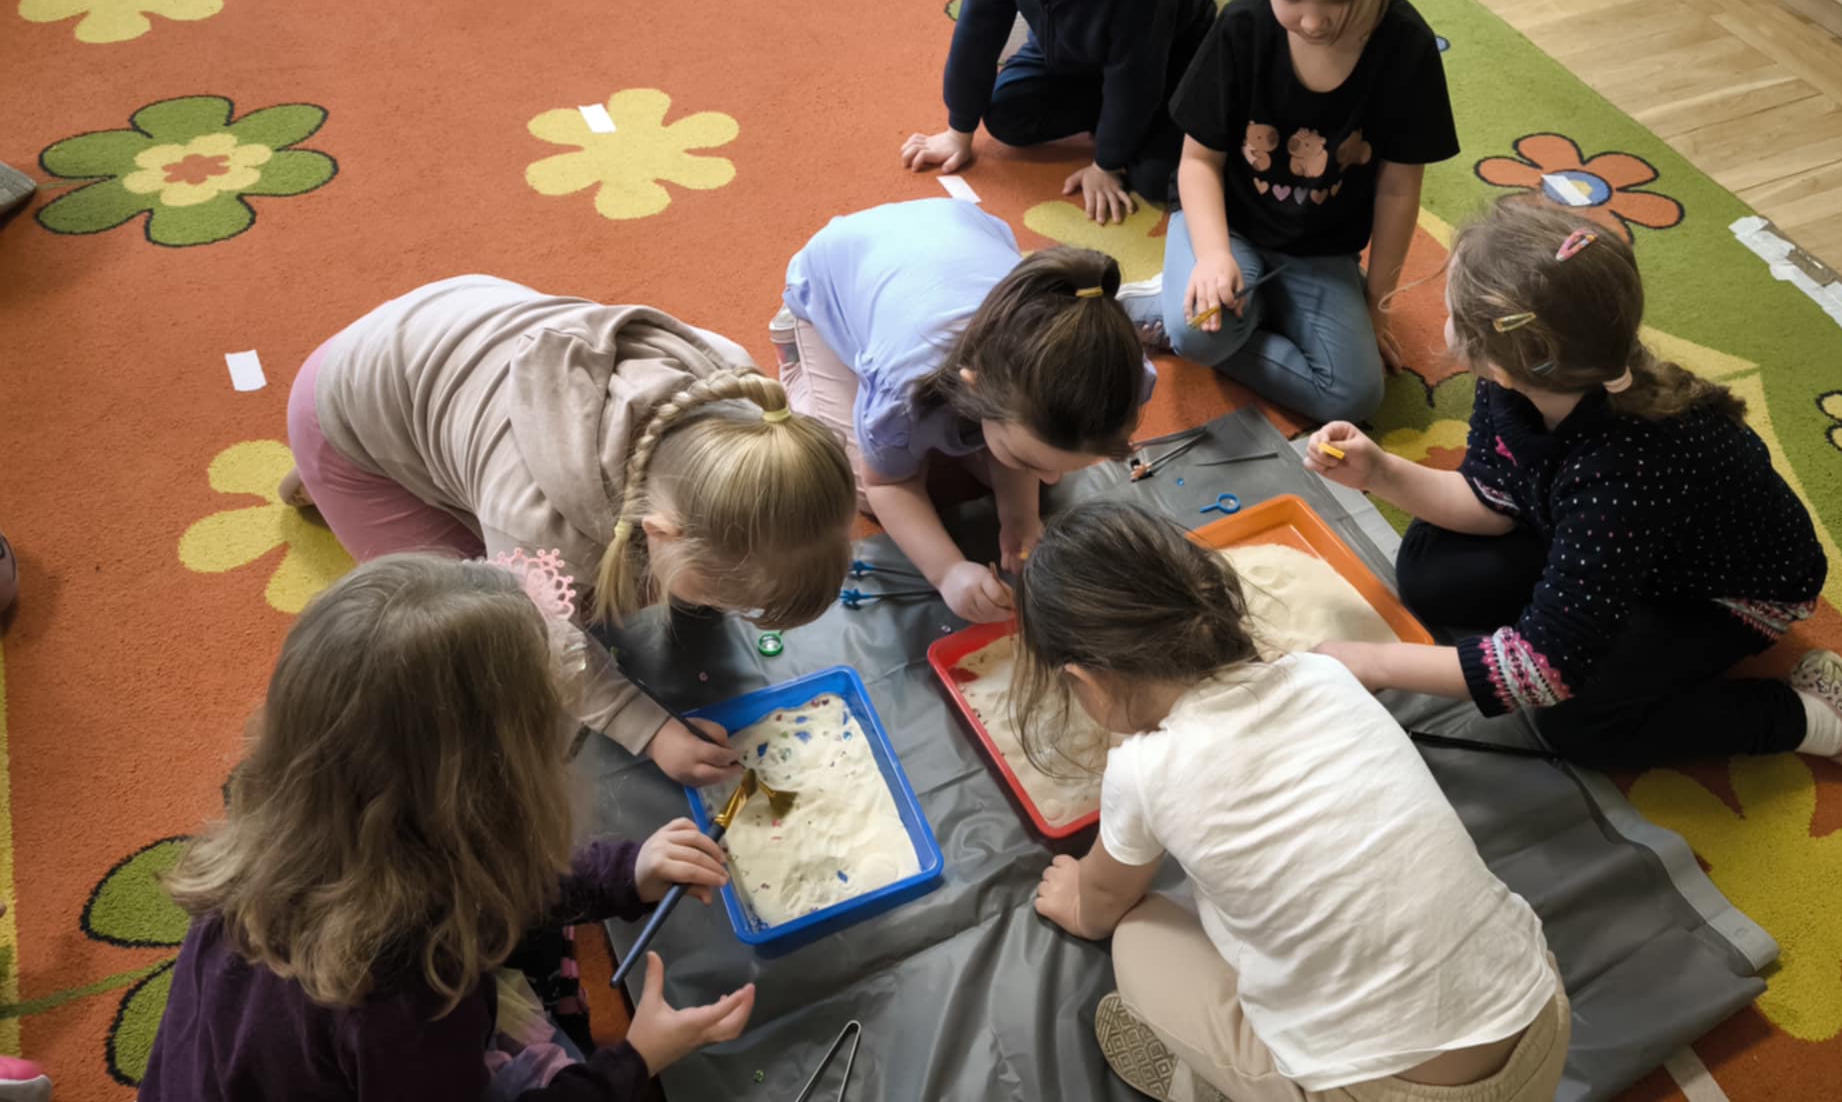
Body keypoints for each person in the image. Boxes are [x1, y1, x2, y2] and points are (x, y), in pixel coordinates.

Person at [1307, 198, 1842, 791]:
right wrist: (1381, 473)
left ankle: (1819, 719)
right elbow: (1493, 500)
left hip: (1722, 596)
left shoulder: (1621, 472)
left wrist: (1373, 663)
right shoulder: (1523, 382)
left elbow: (1541, 670)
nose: (1442, 317)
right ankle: (1587, 609)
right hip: (1626, 540)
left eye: (1450, 308)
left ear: (1498, 358)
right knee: (1431, 570)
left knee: (1574, 720)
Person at [141, 555, 755, 1099]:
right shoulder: (407, 995)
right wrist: (636, 1059)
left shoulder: (308, 825)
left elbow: (496, 876)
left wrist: (627, 871)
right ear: (484, 794)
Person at [1017, 503, 1569, 1102]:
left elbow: (1102, 903)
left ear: (1088, 681)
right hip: (1541, 1017)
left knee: (1138, 938)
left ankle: (1222, 1084)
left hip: (1385, 1094)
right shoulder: (1321, 674)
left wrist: (1077, 901)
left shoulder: (1142, 769)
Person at [283, 275, 857, 787]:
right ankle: (323, 474)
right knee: (457, 610)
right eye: (716, 595)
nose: (720, 609)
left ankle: (333, 474)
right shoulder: (533, 521)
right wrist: (651, 731)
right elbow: (542, 646)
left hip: (462, 325)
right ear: (658, 531)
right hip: (346, 408)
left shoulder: (747, 413)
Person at [776, 198, 1153, 624]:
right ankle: (795, 354)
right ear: (976, 388)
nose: (1051, 479)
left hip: (948, 230)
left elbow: (1026, 440)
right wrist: (948, 572)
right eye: (1029, 460)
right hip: (831, 281)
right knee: (860, 487)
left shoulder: (1122, 369)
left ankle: (1001, 447)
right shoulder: (903, 390)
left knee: (1016, 453)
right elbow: (887, 484)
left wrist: (1019, 516)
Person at [1136, 0, 1458, 425]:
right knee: (1198, 335)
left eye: (1338, 1)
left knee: (1353, 397)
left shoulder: (1406, 46)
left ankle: (1193, 311)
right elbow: (1198, 162)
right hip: (1227, 226)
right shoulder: (1243, 25)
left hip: (1320, 250)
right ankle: (1173, 309)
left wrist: (1377, 305)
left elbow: (1398, 191)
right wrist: (1214, 256)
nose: (1311, 21)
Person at [905, 0, 1219, 223]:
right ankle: (1115, 120)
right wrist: (958, 131)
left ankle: (1121, 127)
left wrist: (1106, 164)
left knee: (1160, 179)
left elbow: (1137, 78)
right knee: (1007, 115)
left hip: (1167, 51)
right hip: (1073, 41)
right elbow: (976, 33)